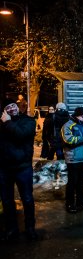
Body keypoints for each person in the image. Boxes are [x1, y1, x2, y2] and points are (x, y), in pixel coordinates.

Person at [0, 99, 38, 241]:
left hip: (23, 167)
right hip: (4, 169)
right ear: (4, 111)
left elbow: (21, 135)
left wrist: (8, 122)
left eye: (13, 106)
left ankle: (30, 229)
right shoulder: (1, 123)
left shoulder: (27, 121)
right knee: (7, 201)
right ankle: (11, 229)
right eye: (7, 107)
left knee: (27, 199)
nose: (12, 109)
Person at [61, 107, 83, 214]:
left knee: (81, 181)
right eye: (82, 116)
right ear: (76, 115)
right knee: (72, 182)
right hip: (73, 159)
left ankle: (81, 201)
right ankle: (70, 203)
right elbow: (68, 140)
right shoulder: (67, 126)